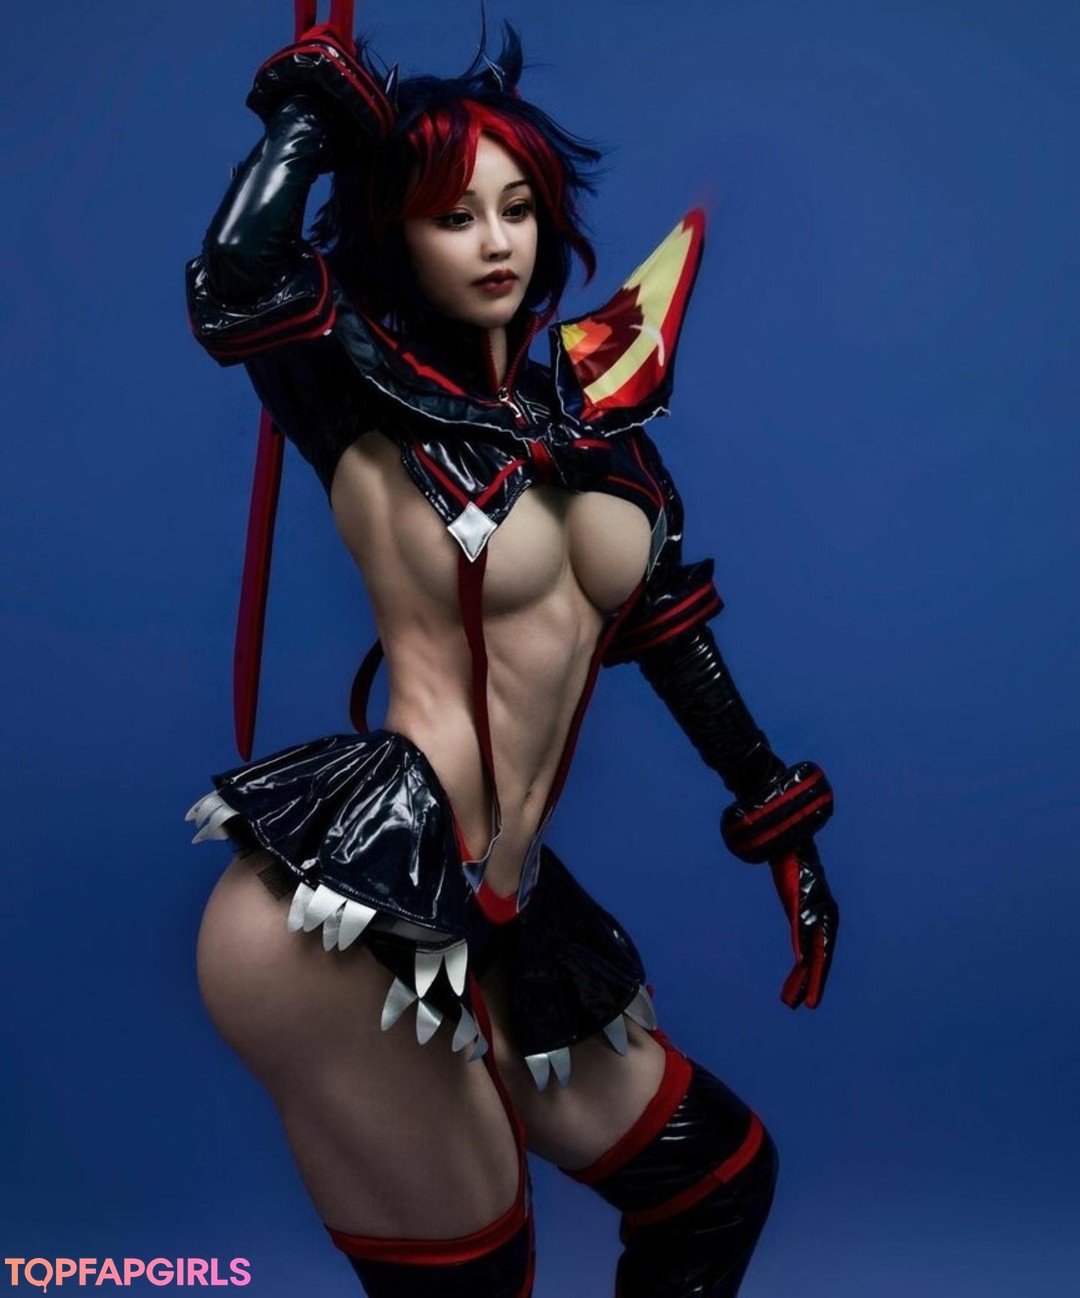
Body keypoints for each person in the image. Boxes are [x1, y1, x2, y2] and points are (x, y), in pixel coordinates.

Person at [185, 18, 839, 1297]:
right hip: (356, 907)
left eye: (518, 208)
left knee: (715, 1183)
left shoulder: (597, 428)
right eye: (453, 216)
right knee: (481, 1277)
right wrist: (313, 115)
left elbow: (670, 636)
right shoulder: (355, 393)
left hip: (505, 907)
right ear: (396, 236)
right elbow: (238, 279)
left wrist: (782, 825)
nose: (495, 241)